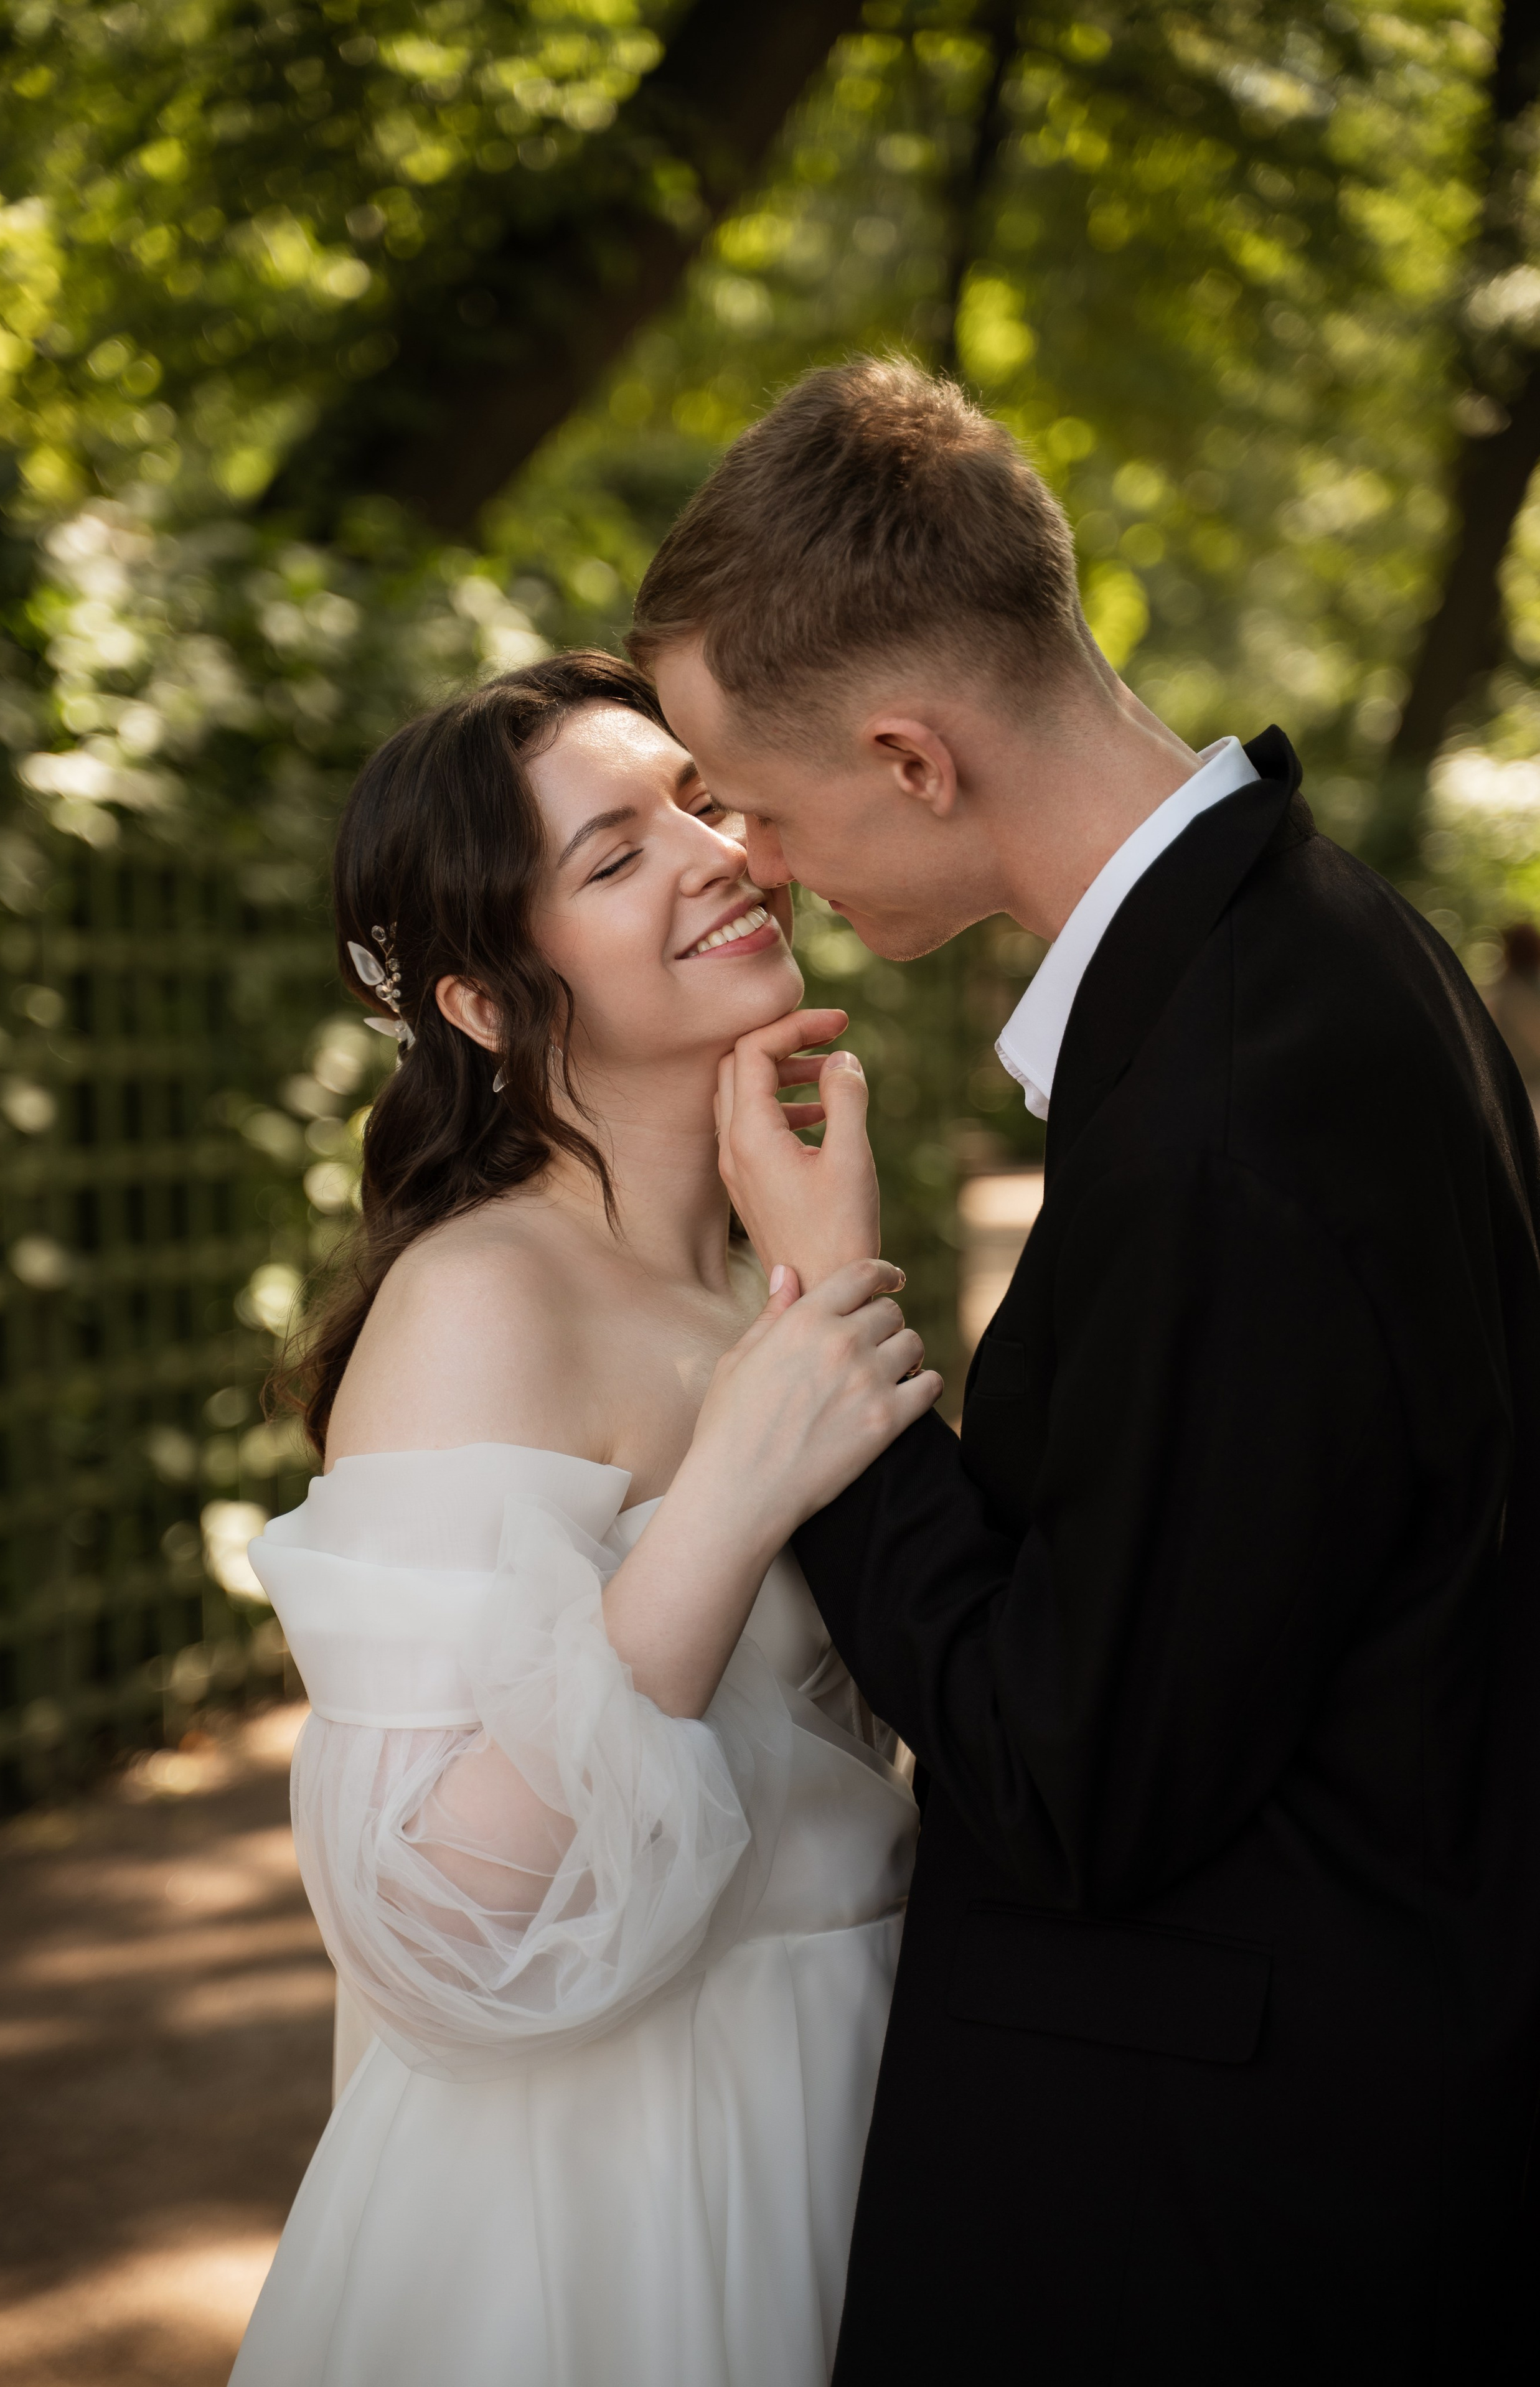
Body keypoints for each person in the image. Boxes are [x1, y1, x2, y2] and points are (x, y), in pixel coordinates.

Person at [627, 360, 1540, 2383]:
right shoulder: (1322, 956)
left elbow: (1076, 1779)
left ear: (911, 754)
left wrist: (831, 1327)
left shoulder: (1238, 1117)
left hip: (1219, 2216)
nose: (753, 862)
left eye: (761, 802)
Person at [228, 652, 937, 2387]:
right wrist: (739, 1485)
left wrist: (825, 1286)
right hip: (610, 2191)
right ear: (481, 1003)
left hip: (854, 2113)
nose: (712, 851)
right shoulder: (485, 1299)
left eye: (701, 799)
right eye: (616, 856)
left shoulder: (756, 1275)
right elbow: (435, 1921)